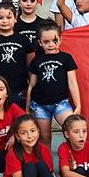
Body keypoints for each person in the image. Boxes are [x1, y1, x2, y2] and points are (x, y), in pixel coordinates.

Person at [27, 21, 80, 154]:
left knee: (73, 130)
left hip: (61, 103)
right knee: (44, 138)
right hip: (40, 105)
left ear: (60, 40)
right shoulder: (36, 60)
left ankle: (71, 163)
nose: (51, 44)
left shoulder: (66, 58)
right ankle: (48, 165)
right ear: (40, 43)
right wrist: (27, 108)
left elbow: (72, 82)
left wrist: (78, 105)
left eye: (54, 41)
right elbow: (31, 85)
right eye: (46, 42)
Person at [4, 114, 72, 177]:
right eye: (23, 133)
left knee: (40, 165)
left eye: (33, 131)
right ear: (17, 136)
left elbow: (48, 175)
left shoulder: (43, 149)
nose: (29, 136)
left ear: (38, 132)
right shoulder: (13, 153)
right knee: (29, 166)